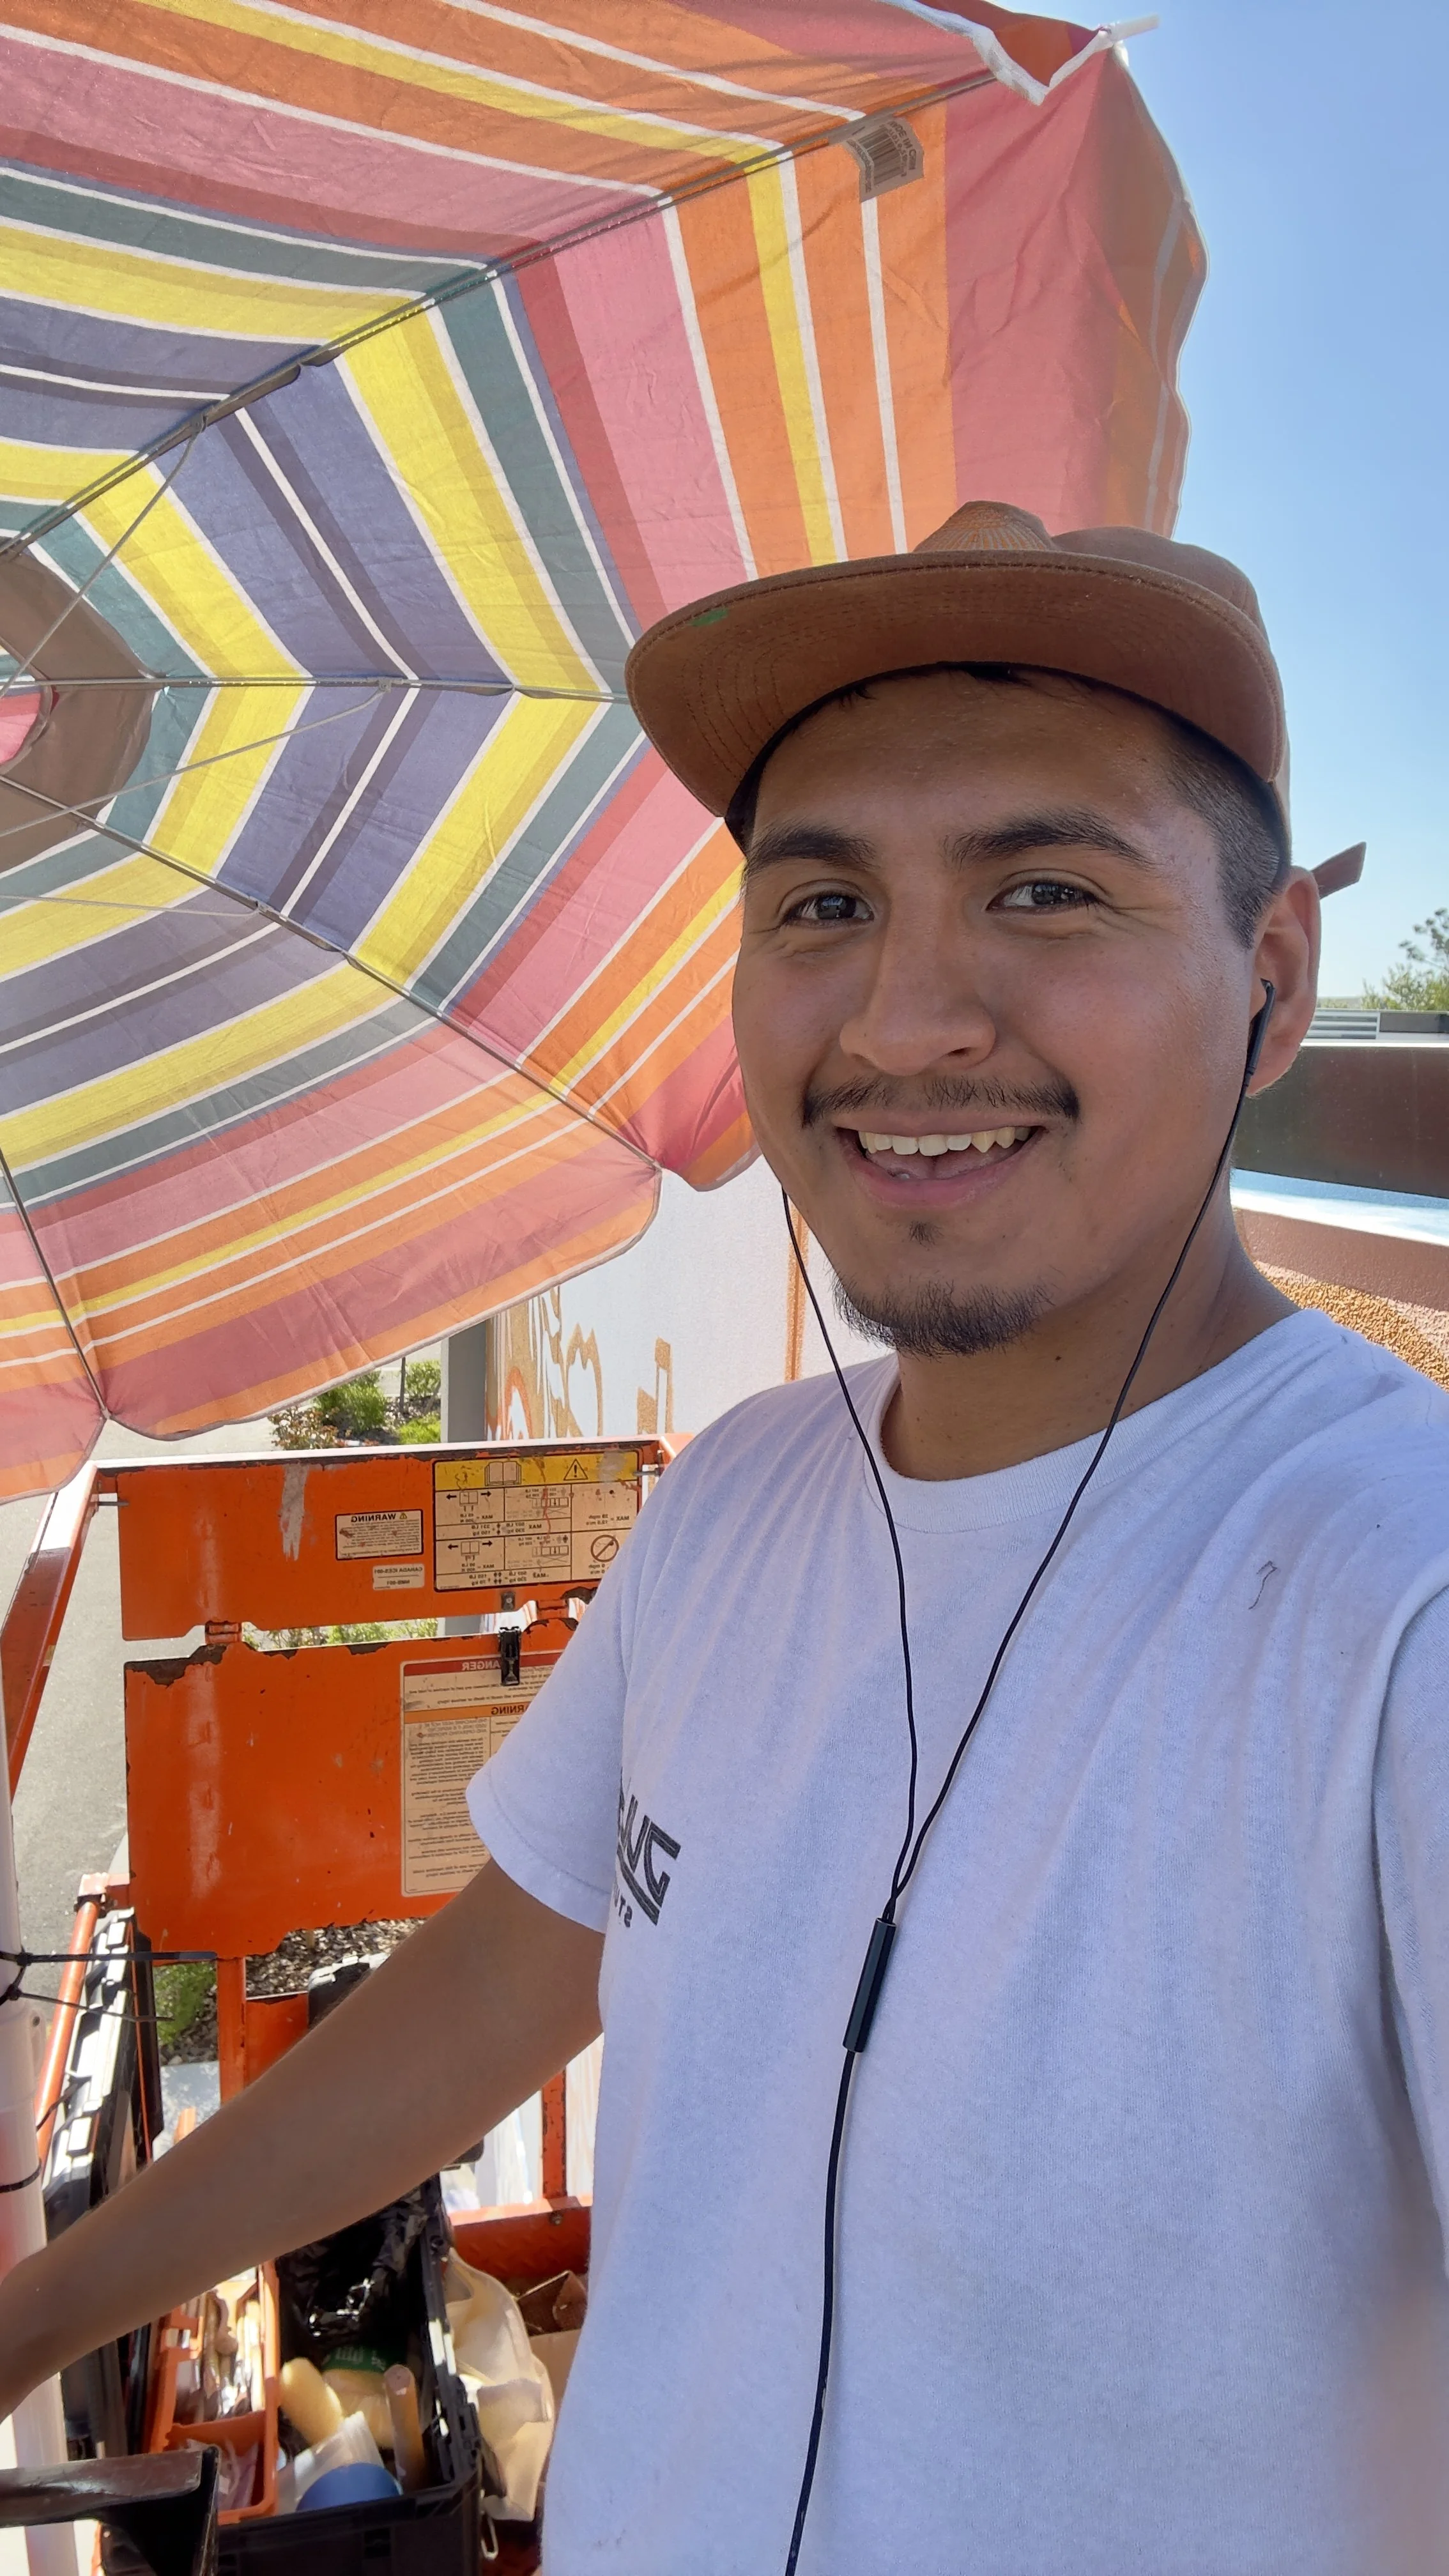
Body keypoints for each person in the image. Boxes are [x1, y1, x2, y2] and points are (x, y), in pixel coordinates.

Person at [3, 500, 1448, 2574]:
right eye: (822, 904)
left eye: (1045, 889)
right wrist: (31, 2318)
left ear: (1272, 983)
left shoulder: (1391, 1607)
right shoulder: (739, 1499)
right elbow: (503, 1983)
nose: (905, 1022)